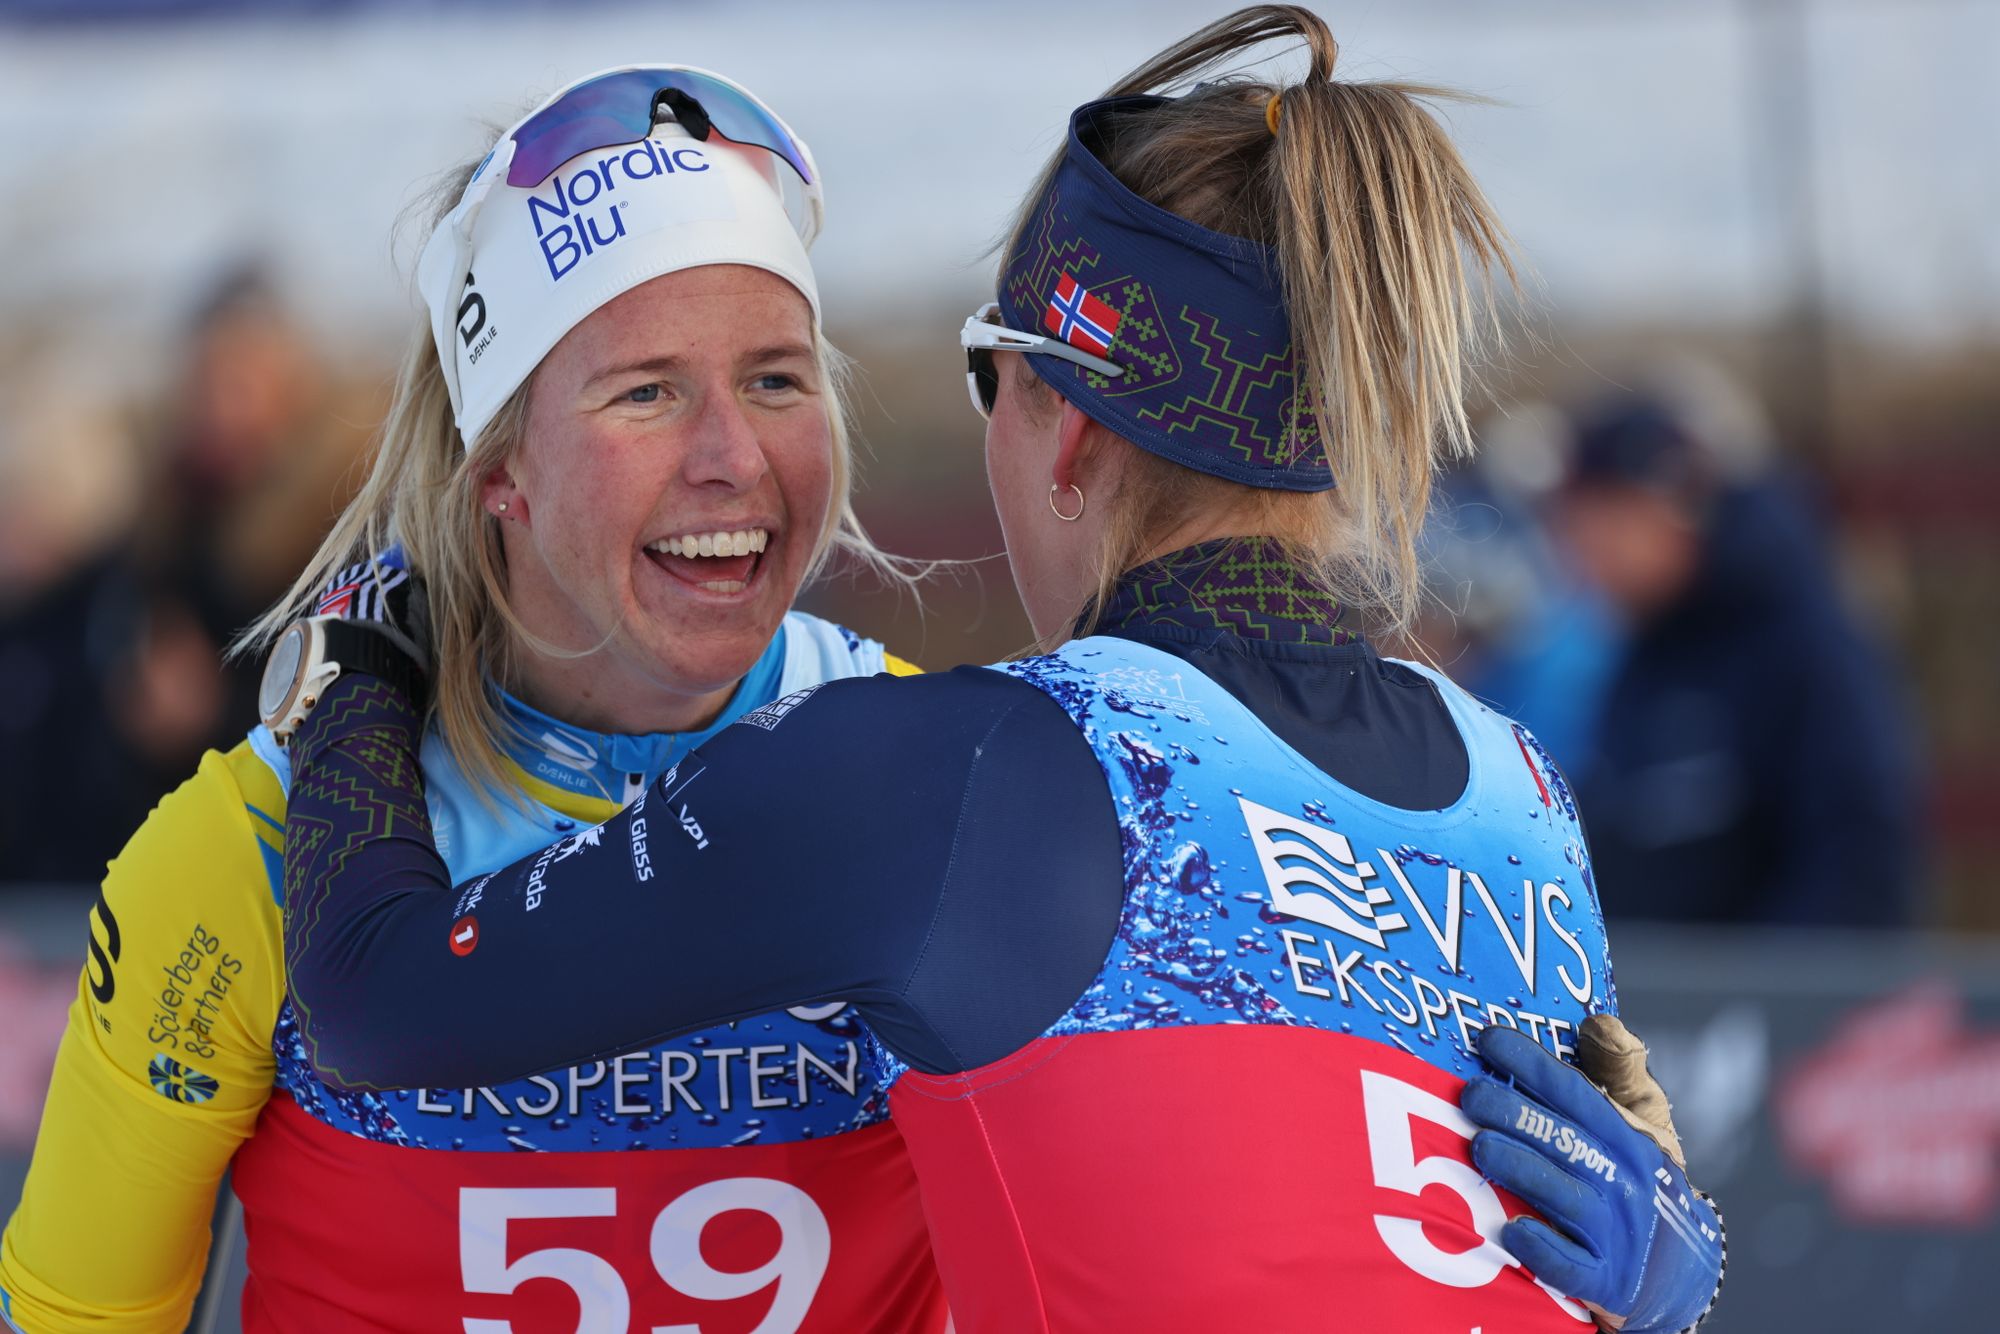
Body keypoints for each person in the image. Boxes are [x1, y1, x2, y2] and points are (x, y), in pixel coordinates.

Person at [274, 10, 1726, 1333]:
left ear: (1066, 421)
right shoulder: (1521, 795)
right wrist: (1688, 1255)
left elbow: (375, 1000)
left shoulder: (958, 773)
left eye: (990, 375)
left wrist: (354, 677)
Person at [0, 67, 949, 1333]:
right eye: (647, 390)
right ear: (496, 462)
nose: (734, 454)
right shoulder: (254, 851)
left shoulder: (944, 784)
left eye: (776, 379)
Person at [1547, 376, 1923, 926]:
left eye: (1601, 526)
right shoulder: (1644, 645)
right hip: (1667, 1001)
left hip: (1769, 1002)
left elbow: (1860, 860)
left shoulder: (1805, 647)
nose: (1581, 557)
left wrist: (1767, 998)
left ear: (1673, 506)